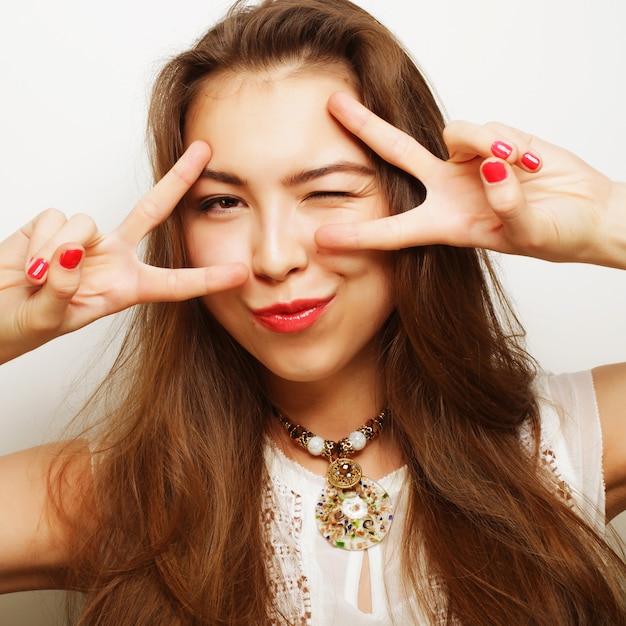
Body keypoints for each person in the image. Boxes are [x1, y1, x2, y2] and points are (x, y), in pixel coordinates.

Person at [1, 0, 625, 623]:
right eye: (221, 202)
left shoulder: (558, 447)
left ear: (411, 199)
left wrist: (605, 223)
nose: (274, 258)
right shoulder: (123, 493)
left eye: (327, 192)